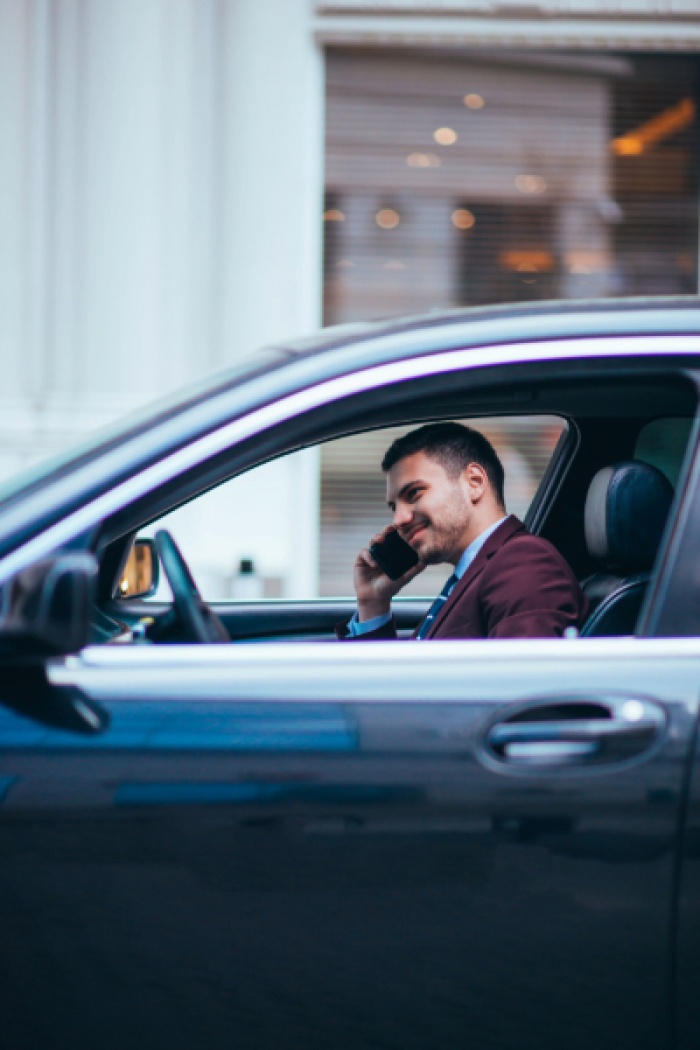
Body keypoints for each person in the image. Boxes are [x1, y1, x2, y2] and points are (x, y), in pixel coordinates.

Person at [337, 422, 588, 641]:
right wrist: (373, 603)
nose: (399, 519)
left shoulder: (524, 563)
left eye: (414, 494)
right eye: (394, 507)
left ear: (475, 483)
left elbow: (521, 688)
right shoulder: (475, 571)